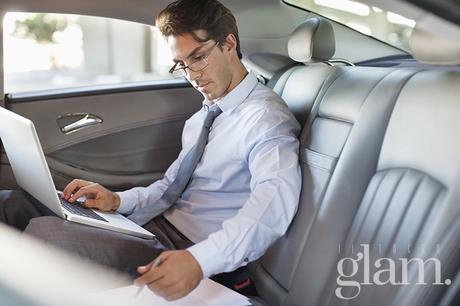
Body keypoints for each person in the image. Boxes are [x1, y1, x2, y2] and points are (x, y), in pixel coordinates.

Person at [0, 0, 301, 301]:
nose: (193, 75)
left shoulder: (266, 118)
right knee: (13, 202)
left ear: (229, 43)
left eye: (198, 57)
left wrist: (200, 260)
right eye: (182, 65)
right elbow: (169, 188)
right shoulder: (205, 116)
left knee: (44, 237)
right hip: (152, 227)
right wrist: (117, 200)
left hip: (184, 251)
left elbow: (273, 203)